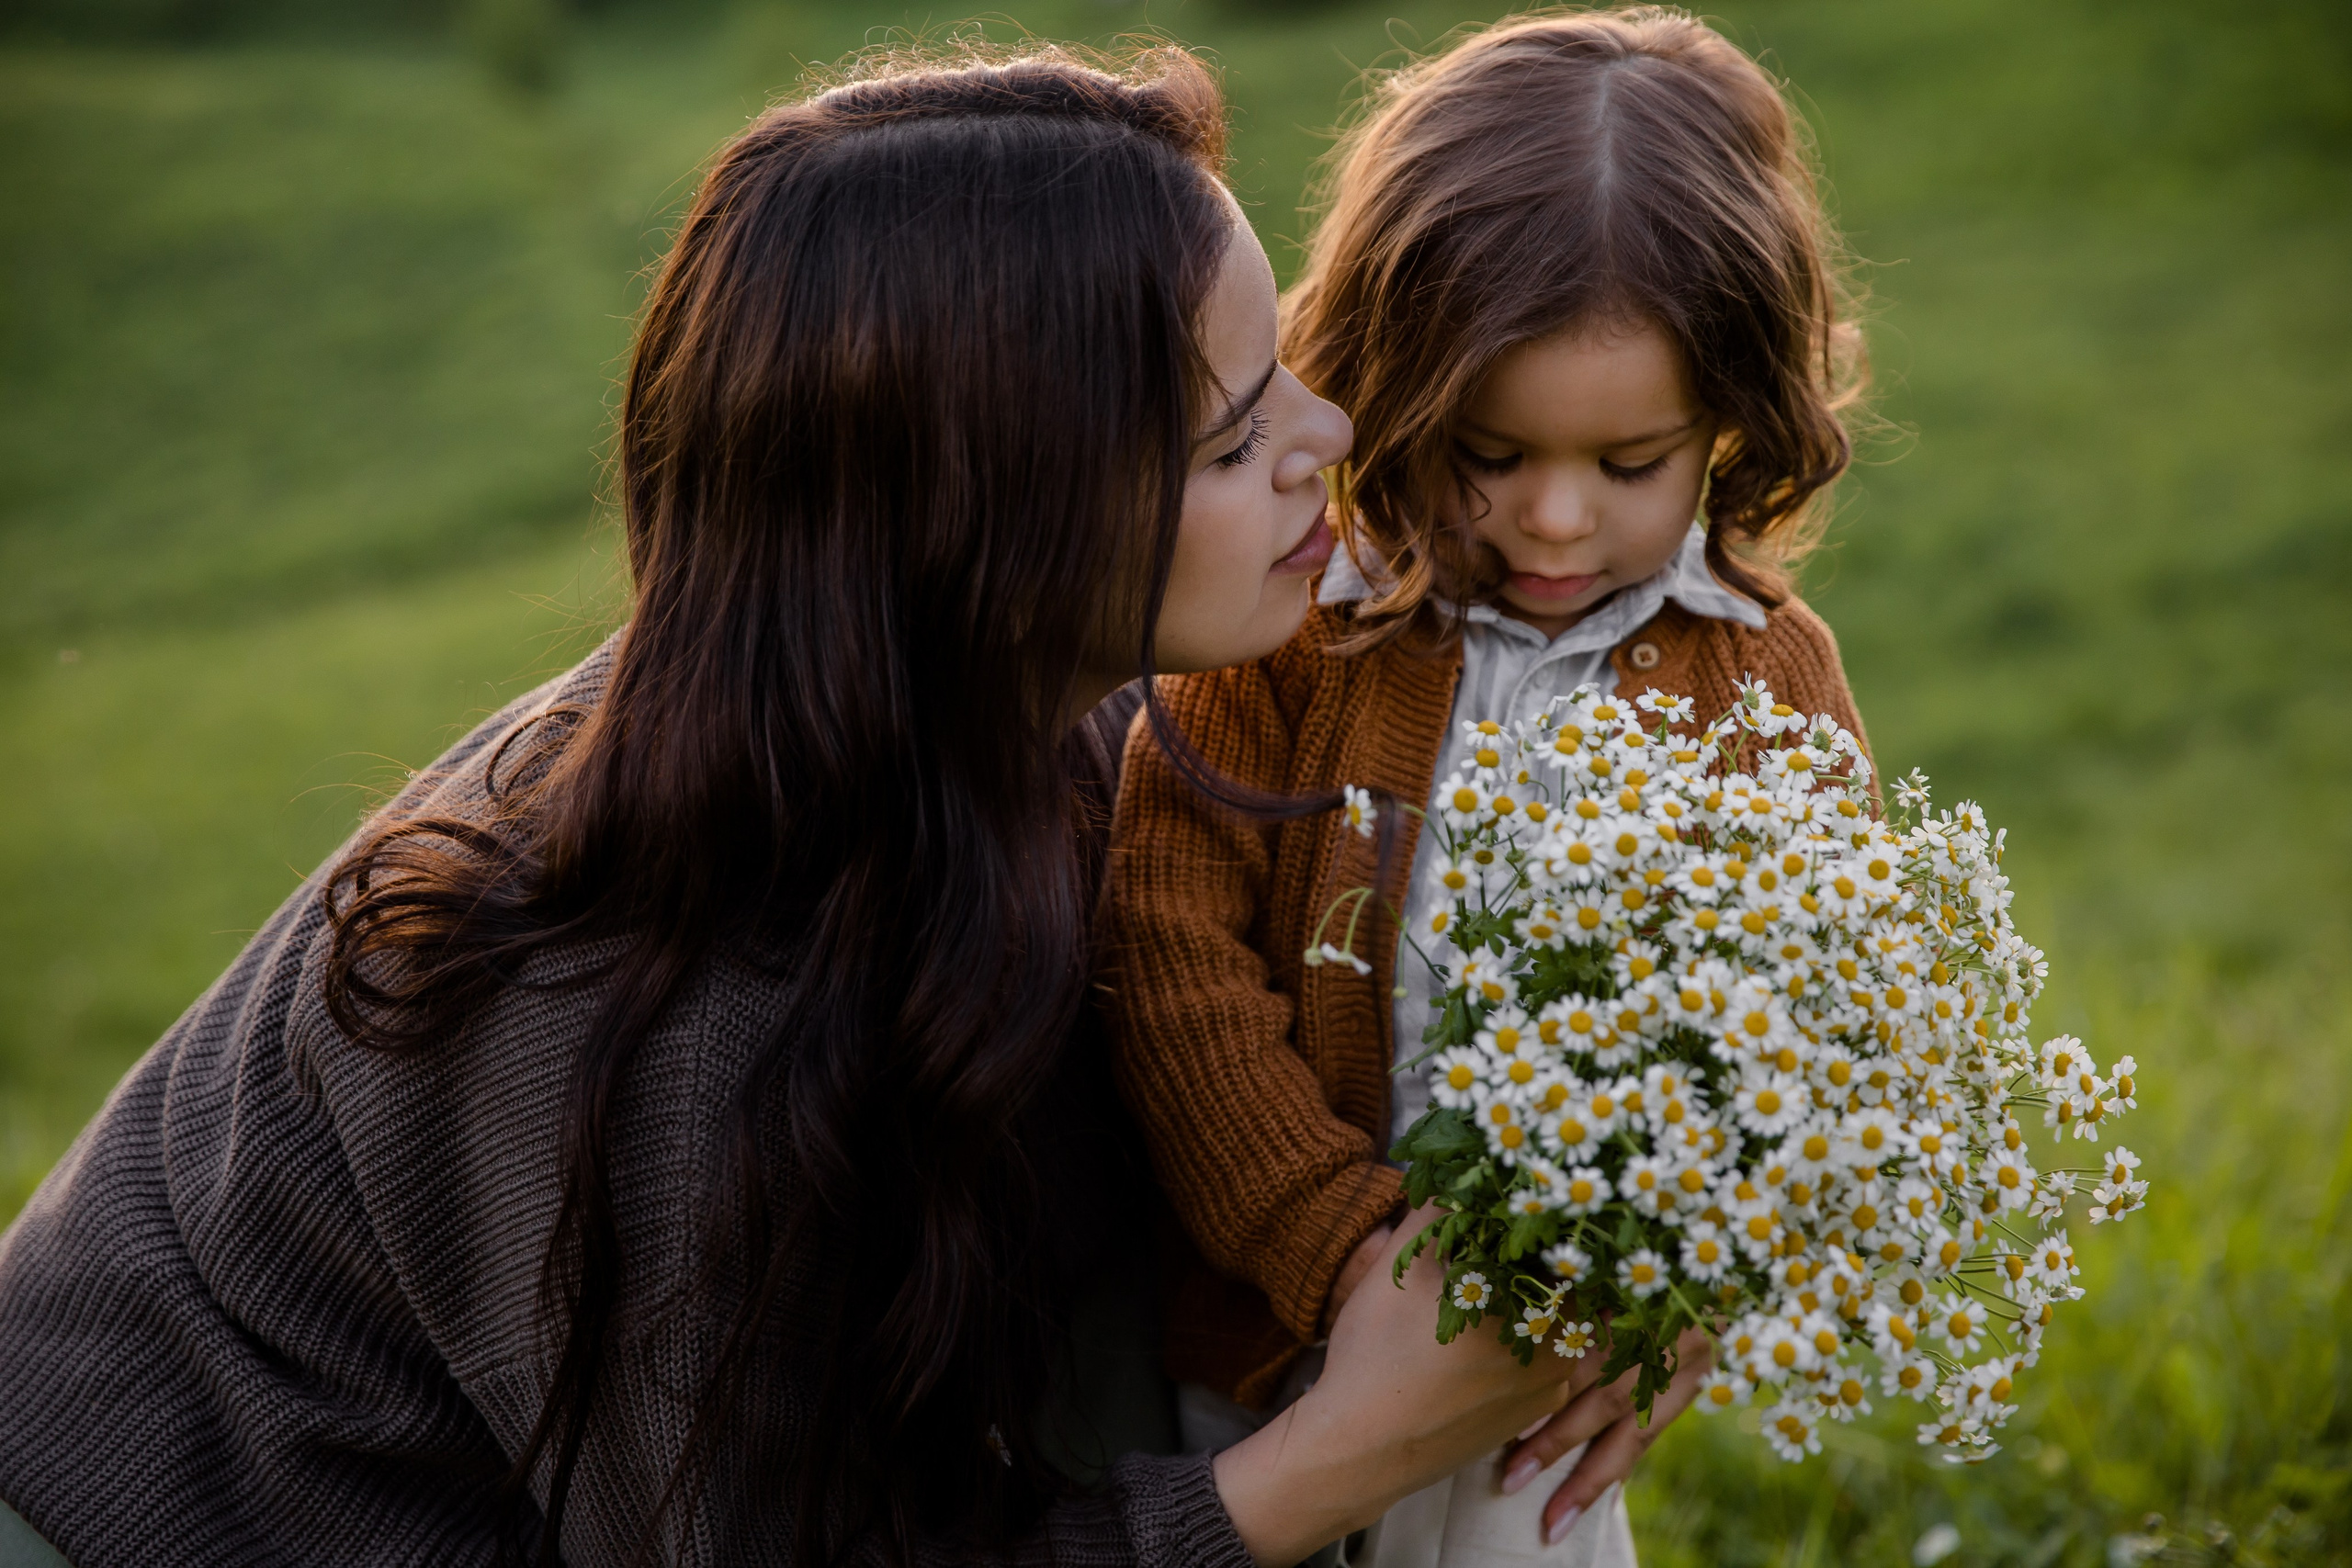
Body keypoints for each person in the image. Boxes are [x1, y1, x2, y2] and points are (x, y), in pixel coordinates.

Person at [0, 45, 1616, 1568]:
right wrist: (1349, 1450)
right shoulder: (666, 1009)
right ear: (985, 527)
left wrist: (1610, 1272)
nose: (1324, 446)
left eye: (1288, 382)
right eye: (1228, 436)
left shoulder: (1024, 717)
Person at [1102, 9, 1875, 1562]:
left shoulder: (1759, 683)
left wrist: (1684, 1285)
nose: (1557, 520)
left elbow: (1817, 1011)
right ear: (1390, 382)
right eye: (1486, 451)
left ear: (1732, 418)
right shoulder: (1294, 638)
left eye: (1633, 461)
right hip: (1267, 1350)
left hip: (1553, 1377)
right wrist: (1341, 1255)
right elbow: (1169, 955)